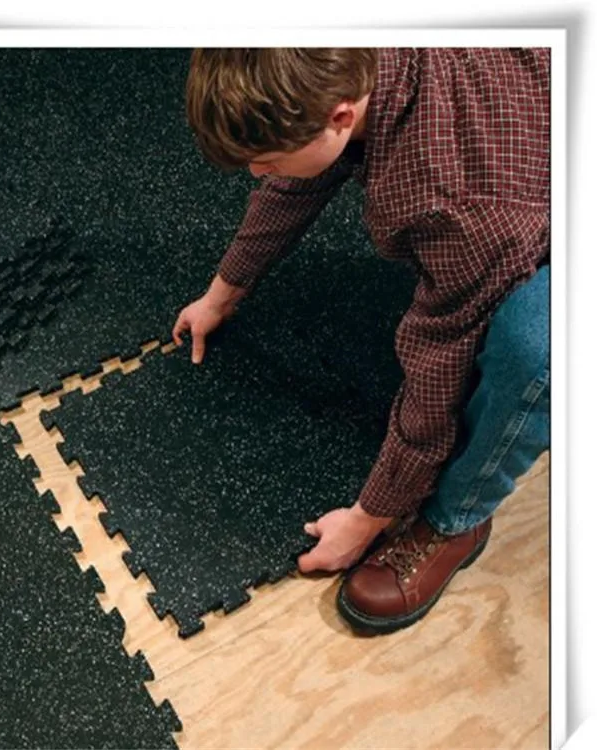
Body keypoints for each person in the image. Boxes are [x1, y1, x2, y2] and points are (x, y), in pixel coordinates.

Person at [172, 48, 550, 634]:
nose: (256, 173)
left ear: (342, 117)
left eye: (265, 160)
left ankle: (457, 519)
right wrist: (223, 292)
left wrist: (369, 516)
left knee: (533, 351)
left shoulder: (453, 202)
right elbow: (291, 183)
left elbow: (439, 360)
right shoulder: (346, 57)